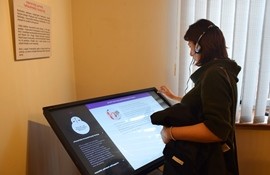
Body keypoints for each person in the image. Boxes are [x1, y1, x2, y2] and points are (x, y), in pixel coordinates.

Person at [158, 19, 241, 175]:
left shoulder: (214, 75)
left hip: (208, 163)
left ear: (199, 46)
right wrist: (174, 97)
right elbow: (206, 102)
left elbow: (216, 130)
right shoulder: (222, 69)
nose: (190, 52)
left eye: (190, 46)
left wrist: (170, 133)